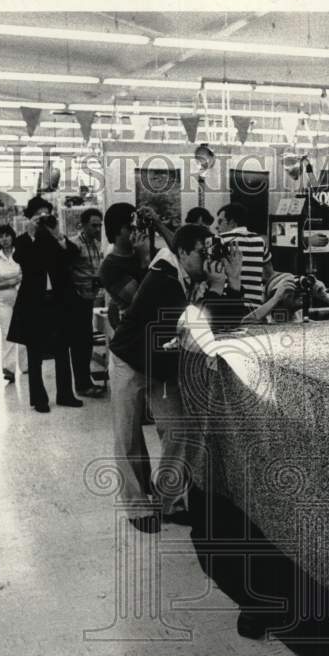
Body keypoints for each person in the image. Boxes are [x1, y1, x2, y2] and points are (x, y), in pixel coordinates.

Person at [108, 224, 245, 532]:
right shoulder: (163, 278)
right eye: (202, 252)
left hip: (164, 363)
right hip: (130, 359)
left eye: (212, 251)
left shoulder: (192, 278)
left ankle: (167, 500)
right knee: (127, 433)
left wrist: (232, 280)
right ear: (182, 253)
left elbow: (225, 323)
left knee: (179, 430)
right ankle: (137, 507)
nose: (209, 259)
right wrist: (214, 288)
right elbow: (199, 330)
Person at [7, 195, 82, 413]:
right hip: (33, 302)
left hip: (58, 301)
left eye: (45, 214)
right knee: (35, 351)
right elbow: (20, 258)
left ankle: (65, 394)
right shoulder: (23, 240)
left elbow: (72, 255)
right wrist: (31, 234)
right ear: (29, 217)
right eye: (38, 215)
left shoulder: (55, 237)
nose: (42, 219)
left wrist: (58, 235)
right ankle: (39, 398)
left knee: (62, 348)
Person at [243, 261, 329, 323]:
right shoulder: (267, 321)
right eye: (290, 289)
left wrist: (325, 296)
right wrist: (276, 298)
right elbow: (245, 323)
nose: (297, 291)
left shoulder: (305, 318)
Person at [67, 208, 106, 398]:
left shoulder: (95, 244)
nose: (98, 229)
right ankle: (82, 384)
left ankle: (85, 381)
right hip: (77, 299)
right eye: (94, 225)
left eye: (100, 225)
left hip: (89, 297)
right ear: (83, 224)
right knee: (80, 343)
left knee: (86, 341)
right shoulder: (74, 244)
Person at [0, 224, 27, 383]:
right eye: (1, 236)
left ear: (12, 236)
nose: (5, 239)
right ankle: (8, 368)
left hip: (23, 298)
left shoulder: (21, 253)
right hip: (3, 301)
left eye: (7, 235)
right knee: (7, 332)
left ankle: (26, 365)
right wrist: (12, 282)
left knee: (24, 330)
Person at [99, 202, 150, 333]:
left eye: (137, 227)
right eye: (130, 228)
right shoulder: (109, 266)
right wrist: (144, 260)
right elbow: (141, 299)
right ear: (116, 230)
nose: (136, 232)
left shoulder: (140, 252)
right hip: (132, 333)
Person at [215, 202, 267, 311]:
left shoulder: (221, 240)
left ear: (232, 222)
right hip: (256, 307)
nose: (217, 226)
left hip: (231, 305)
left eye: (220, 222)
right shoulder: (260, 241)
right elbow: (267, 273)